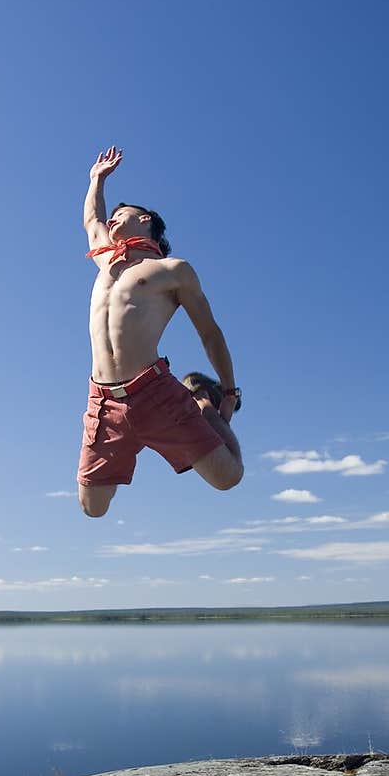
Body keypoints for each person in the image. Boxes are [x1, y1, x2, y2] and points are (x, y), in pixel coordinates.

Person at [78, 145, 243, 517]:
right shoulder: (106, 259)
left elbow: (210, 333)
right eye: (113, 215)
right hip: (104, 401)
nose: (113, 219)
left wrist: (228, 392)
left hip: (155, 392)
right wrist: (96, 180)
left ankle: (201, 402)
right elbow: (91, 219)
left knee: (228, 477)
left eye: (123, 214)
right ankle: (131, 444)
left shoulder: (173, 270)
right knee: (93, 507)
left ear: (146, 221)